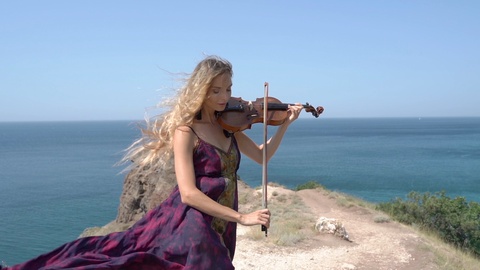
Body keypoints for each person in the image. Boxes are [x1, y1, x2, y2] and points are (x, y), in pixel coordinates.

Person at [3, 55, 302, 270]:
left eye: (228, 88)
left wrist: (285, 124)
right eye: (216, 90)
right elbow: (188, 193)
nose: (226, 97)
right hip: (193, 221)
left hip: (222, 222)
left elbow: (262, 156)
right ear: (202, 91)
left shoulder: (232, 128)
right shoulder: (186, 132)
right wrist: (243, 218)